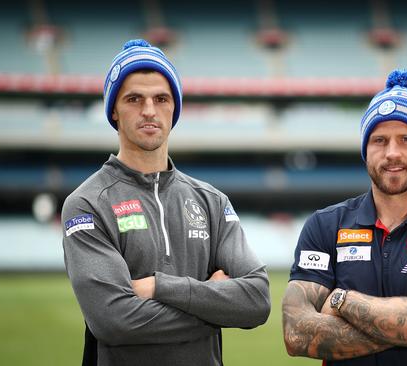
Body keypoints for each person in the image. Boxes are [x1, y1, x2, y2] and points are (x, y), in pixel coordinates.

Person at [61, 39, 271, 366]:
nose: (149, 110)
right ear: (113, 110)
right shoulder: (87, 203)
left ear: (175, 108)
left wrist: (160, 287)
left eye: (161, 98)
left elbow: (256, 300)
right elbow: (114, 321)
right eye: (134, 99)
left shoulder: (212, 201)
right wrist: (214, 306)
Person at [282, 69, 407, 366]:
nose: (392, 153)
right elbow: (296, 334)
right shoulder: (325, 224)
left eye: (406, 139)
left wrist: (342, 301)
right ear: (365, 151)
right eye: (379, 140)